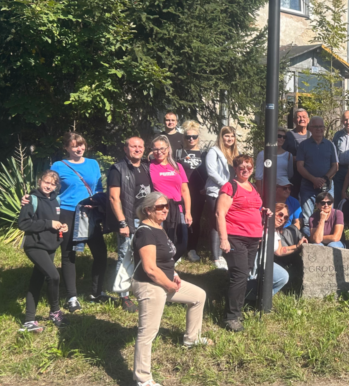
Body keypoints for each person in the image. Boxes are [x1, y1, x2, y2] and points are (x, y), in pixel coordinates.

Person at [132, 192, 211, 386]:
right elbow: (150, 269)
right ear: (148, 210)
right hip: (150, 285)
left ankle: (192, 338)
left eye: (166, 206)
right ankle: (142, 379)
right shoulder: (145, 232)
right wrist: (169, 286)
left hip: (166, 281)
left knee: (199, 295)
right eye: (160, 207)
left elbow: (165, 258)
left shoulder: (159, 227)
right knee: (148, 331)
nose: (165, 209)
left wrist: (173, 273)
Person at [50, 132, 107, 311]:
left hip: (89, 212)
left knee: (101, 253)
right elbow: (49, 189)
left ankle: (97, 292)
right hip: (68, 212)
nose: (78, 149)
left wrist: (98, 204)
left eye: (81, 145)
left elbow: (98, 188)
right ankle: (72, 297)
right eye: (74, 146)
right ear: (66, 148)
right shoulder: (58, 166)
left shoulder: (93, 163)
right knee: (69, 255)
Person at [216, 155, 266, 332]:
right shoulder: (231, 186)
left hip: (252, 238)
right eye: (241, 167)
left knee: (243, 275)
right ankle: (231, 317)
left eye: (249, 167)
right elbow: (219, 213)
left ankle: (237, 310)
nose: (245, 170)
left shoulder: (252, 187)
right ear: (235, 169)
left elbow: (252, 208)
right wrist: (223, 239)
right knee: (239, 274)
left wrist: (263, 212)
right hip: (235, 236)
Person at [17, 170, 68, 332]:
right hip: (35, 246)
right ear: (40, 181)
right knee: (53, 276)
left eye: (53, 184)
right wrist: (48, 224)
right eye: (46, 182)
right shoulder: (31, 199)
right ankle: (55, 311)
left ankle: (29, 321)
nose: (49, 186)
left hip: (50, 246)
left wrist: (62, 226)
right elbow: (23, 224)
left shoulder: (56, 200)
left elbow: (56, 221)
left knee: (36, 281)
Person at [107, 137, 151, 313]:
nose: (137, 149)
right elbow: (113, 197)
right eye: (133, 146)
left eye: (140, 146)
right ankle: (124, 295)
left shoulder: (146, 167)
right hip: (129, 219)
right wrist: (122, 222)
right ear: (126, 149)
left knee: (144, 255)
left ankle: (141, 288)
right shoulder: (118, 169)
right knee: (125, 256)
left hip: (146, 219)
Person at [246, 202, 304, 299]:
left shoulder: (275, 232)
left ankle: (261, 299)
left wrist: (297, 246)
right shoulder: (259, 225)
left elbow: (280, 251)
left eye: (285, 217)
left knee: (283, 277)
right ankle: (250, 298)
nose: (282, 219)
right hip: (252, 262)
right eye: (280, 214)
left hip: (265, 263)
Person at [149, 135, 191, 262]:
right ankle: (161, 268)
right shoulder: (148, 166)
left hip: (178, 208)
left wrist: (188, 212)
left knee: (182, 242)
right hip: (159, 209)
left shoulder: (177, 166)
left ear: (168, 149)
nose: (159, 152)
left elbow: (185, 190)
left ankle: (169, 264)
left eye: (162, 148)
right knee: (161, 243)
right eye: (155, 149)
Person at [296, 116, 339, 236]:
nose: (319, 129)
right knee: (307, 219)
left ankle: (325, 239)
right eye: (316, 126)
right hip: (308, 186)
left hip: (327, 186)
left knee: (328, 214)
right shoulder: (303, 145)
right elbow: (300, 166)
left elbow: (335, 166)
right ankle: (310, 242)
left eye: (321, 126)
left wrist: (324, 179)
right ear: (310, 128)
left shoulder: (330, 145)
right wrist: (313, 179)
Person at [204, 127, 237, 270]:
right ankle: (216, 257)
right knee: (217, 223)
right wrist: (226, 185)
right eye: (227, 136)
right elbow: (211, 171)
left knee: (227, 222)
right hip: (216, 192)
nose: (229, 139)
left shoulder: (235, 153)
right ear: (221, 137)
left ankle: (225, 253)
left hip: (230, 193)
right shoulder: (214, 151)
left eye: (232, 136)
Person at [176, 121, 208, 263]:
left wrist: (205, 187)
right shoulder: (179, 153)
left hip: (198, 192)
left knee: (194, 220)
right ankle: (177, 248)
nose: (191, 139)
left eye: (194, 136)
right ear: (184, 138)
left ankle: (192, 248)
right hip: (181, 191)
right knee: (178, 219)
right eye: (188, 137)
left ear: (198, 138)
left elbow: (209, 173)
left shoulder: (205, 154)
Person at [255, 126, 293, 193]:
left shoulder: (289, 155)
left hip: (283, 191)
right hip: (267, 189)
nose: (282, 138)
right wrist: (260, 196)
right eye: (279, 136)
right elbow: (258, 178)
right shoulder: (262, 154)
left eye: (284, 137)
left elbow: (290, 175)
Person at [283, 108, 311, 189]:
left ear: (308, 120)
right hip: (293, 175)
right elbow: (281, 154)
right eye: (299, 117)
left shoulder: (312, 135)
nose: (302, 119)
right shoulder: (288, 136)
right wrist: (293, 158)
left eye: (304, 117)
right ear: (294, 120)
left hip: (309, 175)